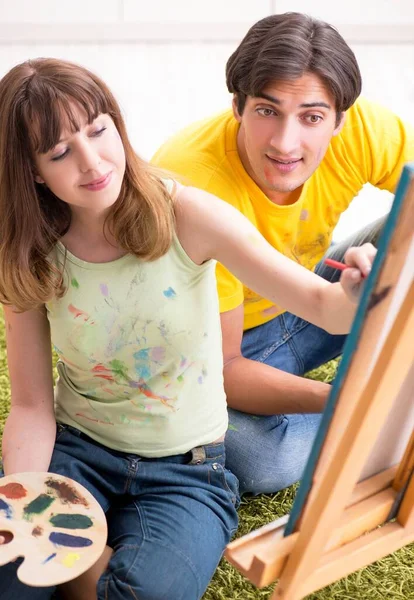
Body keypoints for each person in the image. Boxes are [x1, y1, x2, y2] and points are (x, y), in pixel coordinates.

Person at [0, 57, 375, 600]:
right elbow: (32, 404)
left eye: (99, 130)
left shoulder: (188, 215)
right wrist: (26, 496)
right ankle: (85, 556)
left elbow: (324, 306)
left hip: (189, 471)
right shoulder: (29, 253)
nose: (93, 161)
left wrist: (354, 294)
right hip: (77, 451)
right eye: (60, 152)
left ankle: (85, 560)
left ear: (116, 125)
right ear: (33, 171)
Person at [152, 12, 414, 496]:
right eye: (267, 111)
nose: (285, 143)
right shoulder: (193, 188)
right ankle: (388, 416)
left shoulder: (362, 129)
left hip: (311, 294)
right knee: (266, 461)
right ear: (237, 105)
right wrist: (342, 398)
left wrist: (375, 276)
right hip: (210, 352)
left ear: (339, 119)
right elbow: (227, 366)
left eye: (312, 118)